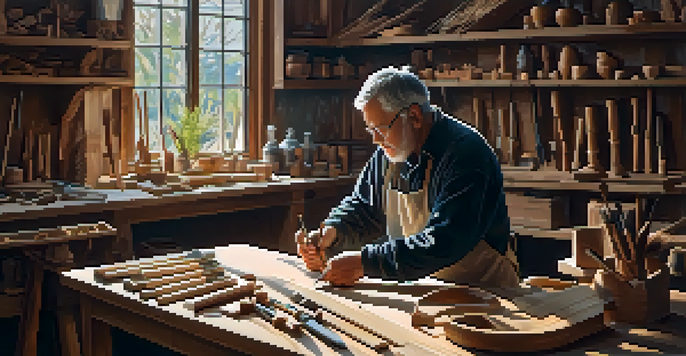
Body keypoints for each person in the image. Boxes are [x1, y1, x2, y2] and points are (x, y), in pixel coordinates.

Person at [296, 66, 519, 288]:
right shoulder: (391, 151)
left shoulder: (466, 154)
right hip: (424, 287)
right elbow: (364, 208)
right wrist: (333, 231)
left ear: (414, 116)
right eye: (370, 130)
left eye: (381, 129)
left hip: (486, 292)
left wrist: (366, 263)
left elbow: (445, 240)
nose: (375, 140)